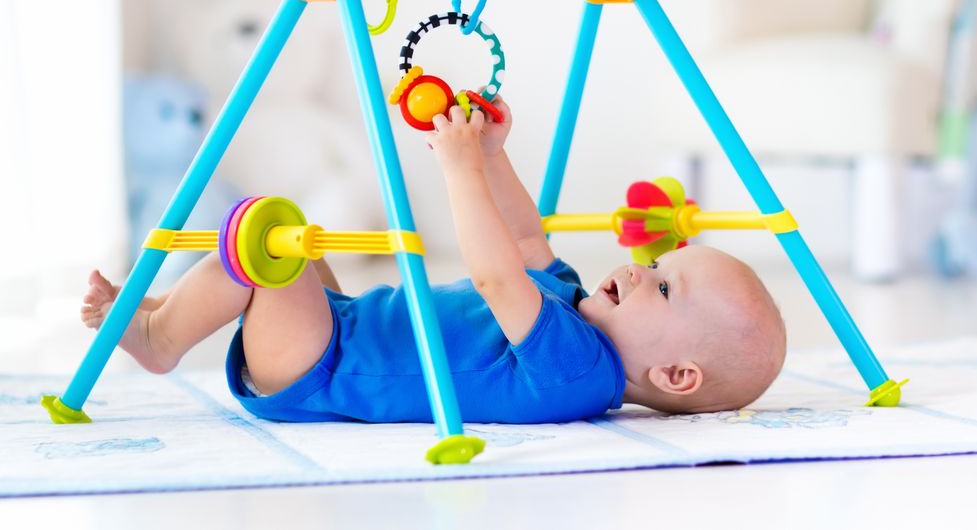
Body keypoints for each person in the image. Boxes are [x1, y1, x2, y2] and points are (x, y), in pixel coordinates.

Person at [81, 97, 786, 423]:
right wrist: (492, 155)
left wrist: (458, 173)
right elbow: (523, 243)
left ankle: (161, 339)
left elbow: (494, 274)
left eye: (661, 289)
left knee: (270, 248)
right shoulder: (574, 312)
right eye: (657, 265)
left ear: (674, 375)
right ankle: (159, 309)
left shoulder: (577, 368)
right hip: (343, 325)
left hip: (324, 368)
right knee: (302, 248)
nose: (638, 268)